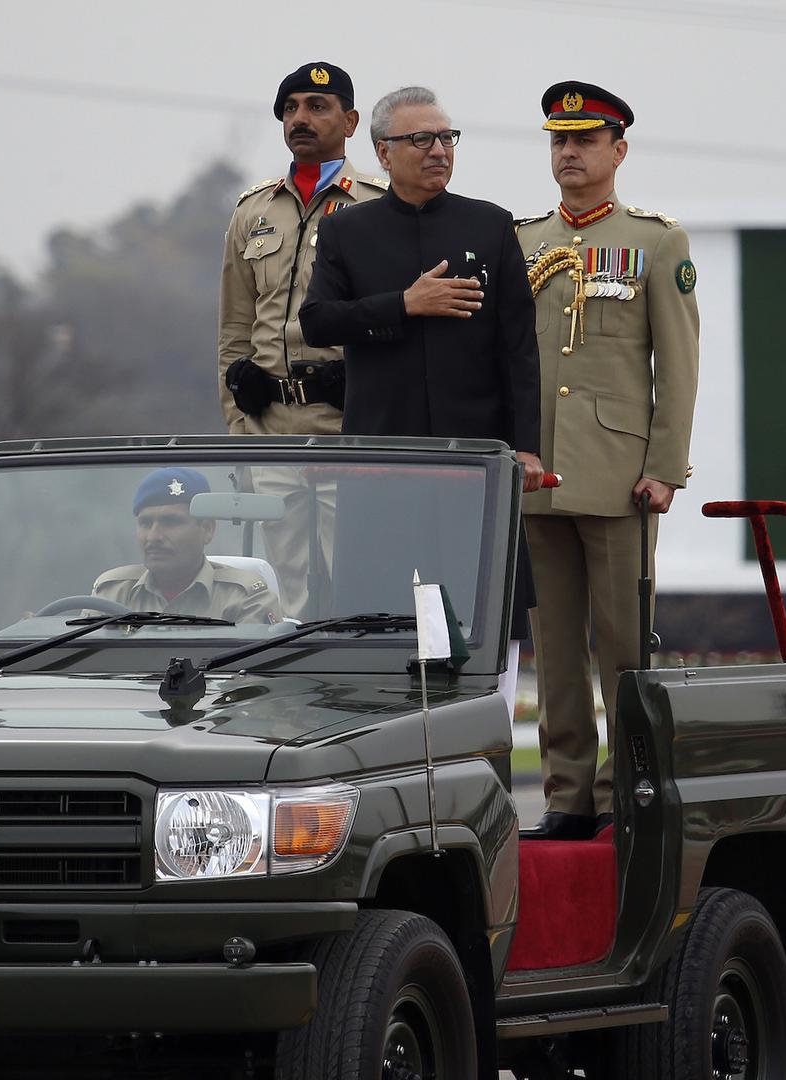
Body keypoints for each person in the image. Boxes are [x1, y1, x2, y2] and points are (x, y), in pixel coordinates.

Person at [299, 85, 542, 696]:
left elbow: (519, 348)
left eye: (447, 138)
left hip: (475, 463)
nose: (439, 151)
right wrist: (404, 304)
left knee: (486, 617)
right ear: (383, 151)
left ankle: (492, 762)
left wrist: (528, 447)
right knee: (379, 617)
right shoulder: (349, 231)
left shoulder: (487, 224)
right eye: (421, 140)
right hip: (385, 459)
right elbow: (318, 321)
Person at [516, 81, 700, 841]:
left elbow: (678, 363)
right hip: (537, 471)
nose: (569, 153)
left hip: (621, 473)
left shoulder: (657, 241)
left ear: (617, 150)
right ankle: (567, 796)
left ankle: (625, 791)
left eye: (585, 140)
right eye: (559, 140)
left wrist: (666, 465)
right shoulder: (521, 239)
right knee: (554, 646)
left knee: (623, 646)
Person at [217, 61, 388, 618]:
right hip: (272, 426)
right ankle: (292, 704)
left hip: (344, 421)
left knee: (354, 579)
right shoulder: (254, 210)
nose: (300, 119)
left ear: (351, 120)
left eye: (317, 107)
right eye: (290, 109)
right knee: (284, 590)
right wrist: (241, 429)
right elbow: (234, 330)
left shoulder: (376, 205)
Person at [92, 468, 281, 625]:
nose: (154, 536)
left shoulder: (245, 598)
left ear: (207, 529)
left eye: (171, 522)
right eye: (145, 523)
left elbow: (252, 665)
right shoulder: (111, 594)